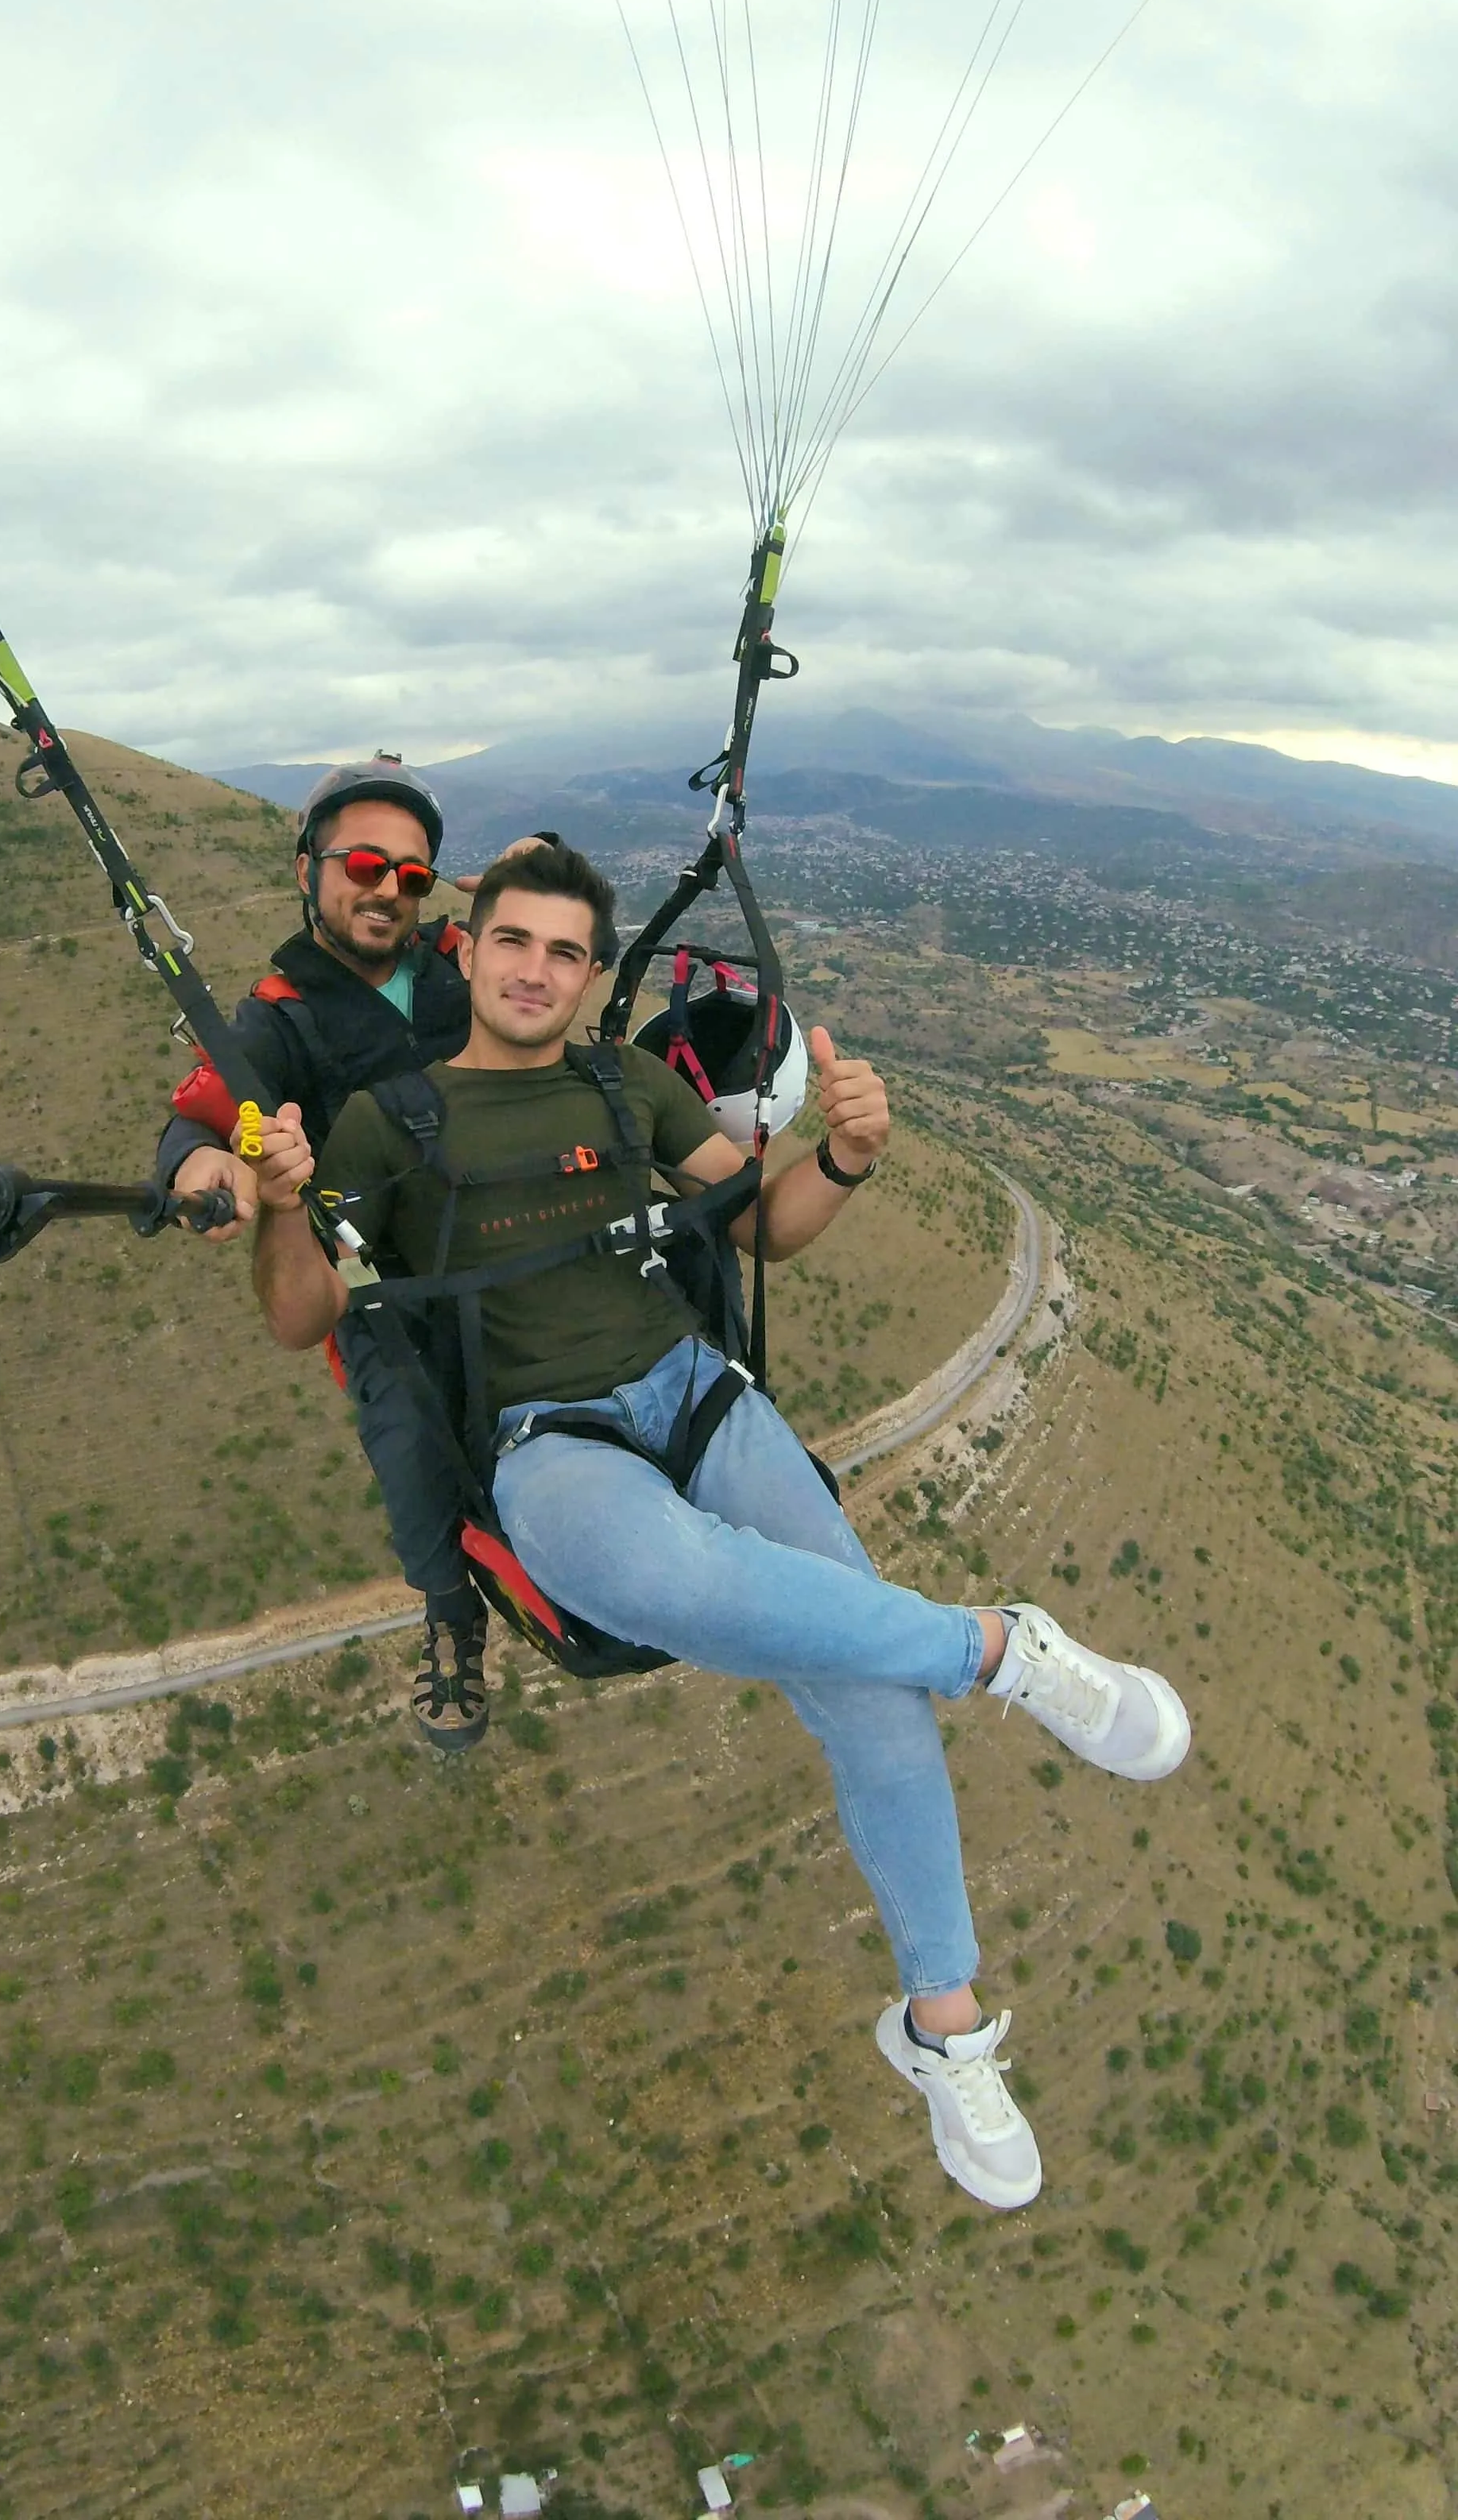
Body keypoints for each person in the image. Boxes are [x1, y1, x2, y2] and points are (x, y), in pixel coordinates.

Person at [247, 840, 1192, 2211]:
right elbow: (302, 1315)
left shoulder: (625, 1084)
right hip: (546, 1436)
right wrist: (285, 1208)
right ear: (470, 947)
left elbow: (762, 1231)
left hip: (695, 1390)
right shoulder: (389, 1124)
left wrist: (847, 1158)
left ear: (589, 975)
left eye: (565, 952)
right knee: (652, 1571)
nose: (535, 970)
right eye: (513, 941)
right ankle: (1000, 1648)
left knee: (869, 1685)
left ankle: (942, 2026)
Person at [154, 751, 539, 1753]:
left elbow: (562, 967)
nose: (387, 889)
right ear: (308, 870)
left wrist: (540, 882)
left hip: (510, 1236)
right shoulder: (281, 1015)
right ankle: (450, 1611)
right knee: (410, 1435)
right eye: (365, 865)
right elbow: (205, 1117)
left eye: (411, 874)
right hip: (384, 1280)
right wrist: (200, 1167)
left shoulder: (460, 958)